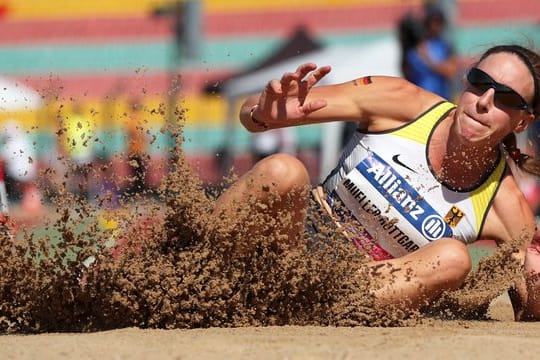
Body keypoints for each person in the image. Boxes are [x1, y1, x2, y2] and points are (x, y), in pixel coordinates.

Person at [214, 44, 540, 320]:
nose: (484, 102)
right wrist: (262, 113)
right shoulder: (400, 101)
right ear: (465, 84)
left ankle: (307, 308)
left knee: (453, 259)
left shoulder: (506, 204)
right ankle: (184, 266)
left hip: (354, 287)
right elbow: (251, 112)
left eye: (507, 99)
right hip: (293, 242)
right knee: (283, 170)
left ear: (523, 121)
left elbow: (530, 309)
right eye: (480, 83)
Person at [403, 4, 458, 100]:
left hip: (440, 98)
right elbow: (406, 72)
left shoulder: (444, 45)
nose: (436, 26)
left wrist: (429, 60)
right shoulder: (414, 46)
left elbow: (450, 71)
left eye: (439, 22)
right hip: (418, 98)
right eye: (433, 21)